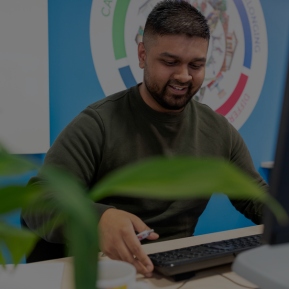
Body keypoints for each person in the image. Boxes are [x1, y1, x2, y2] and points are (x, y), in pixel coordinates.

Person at [22, 0, 268, 278]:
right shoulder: (98, 123)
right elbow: (38, 202)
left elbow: (257, 199)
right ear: (142, 54)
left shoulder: (218, 130)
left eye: (196, 64)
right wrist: (98, 219)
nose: (184, 76)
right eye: (170, 62)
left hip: (176, 273)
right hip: (108, 273)